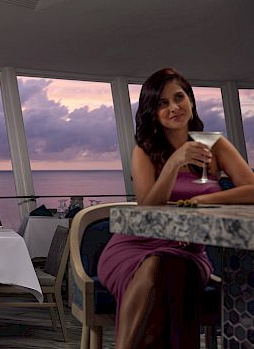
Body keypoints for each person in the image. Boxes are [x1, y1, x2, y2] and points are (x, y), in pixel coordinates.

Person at [97, 68, 254, 348]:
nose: (174, 108)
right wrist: (174, 162)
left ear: (191, 101)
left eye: (179, 97)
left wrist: (201, 201)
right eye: (162, 103)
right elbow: (147, 205)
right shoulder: (144, 150)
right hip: (134, 246)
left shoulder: (215, 144)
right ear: (152, 112)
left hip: (188, 250)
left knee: (169, 267)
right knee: (155, 265)